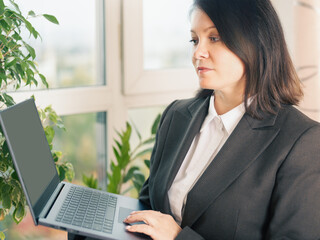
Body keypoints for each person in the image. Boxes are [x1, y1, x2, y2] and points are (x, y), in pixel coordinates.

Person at [70, 0, 320, 239]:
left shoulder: (301, 142)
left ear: (256, 43)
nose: (198, 52)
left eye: (214, 38)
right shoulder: (176, 116)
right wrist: (88, 222)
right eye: (194, 39)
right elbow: (147, 206)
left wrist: (179, 237)